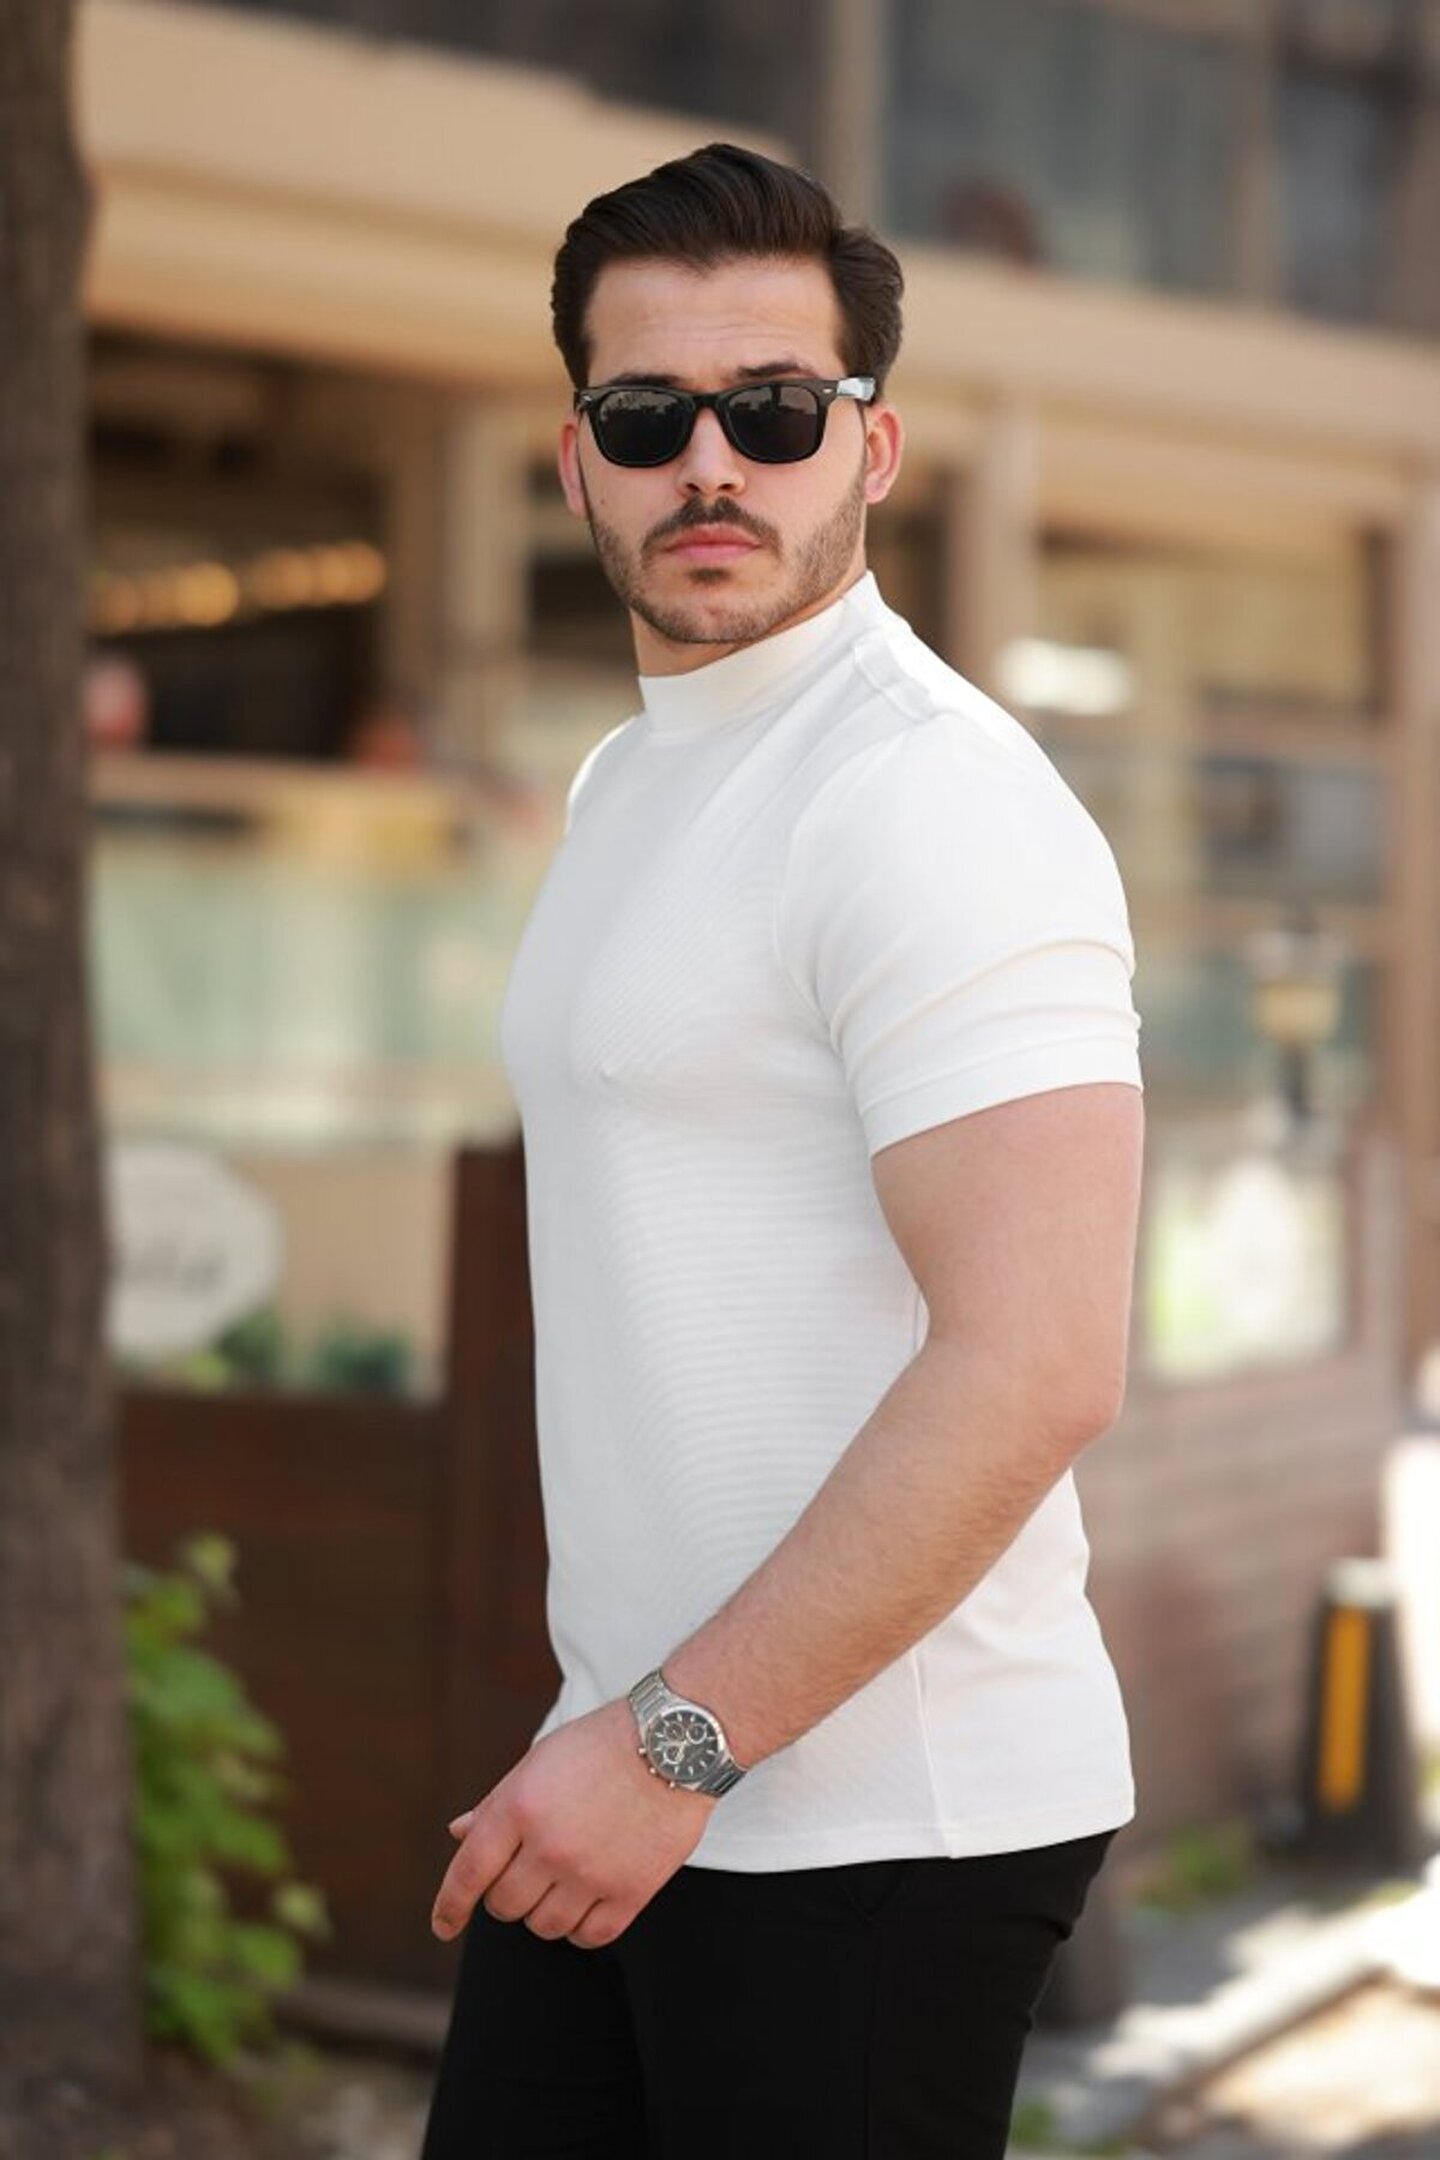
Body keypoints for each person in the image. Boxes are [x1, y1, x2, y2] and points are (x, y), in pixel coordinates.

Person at [420, 141, 1145, 2160]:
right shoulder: (630, 780)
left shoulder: (928, 800)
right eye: (649, 418)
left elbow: (1038, 1359)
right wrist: (636, 1745)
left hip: (871, 1827)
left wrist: (674, 1746)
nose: (712, 466)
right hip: (644, 1770)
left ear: (872, 446)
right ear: (579, 462)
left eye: (774, 409)